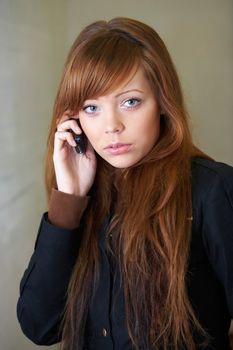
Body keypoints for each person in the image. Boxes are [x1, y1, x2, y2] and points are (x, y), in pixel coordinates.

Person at [17, 17, 233, 350]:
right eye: (92, 107)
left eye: (130, 101)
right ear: (74, 120)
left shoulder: (212, 190)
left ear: (161, 100)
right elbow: (39, 326)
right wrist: (69, 199)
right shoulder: (84, 199)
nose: (111, 126)